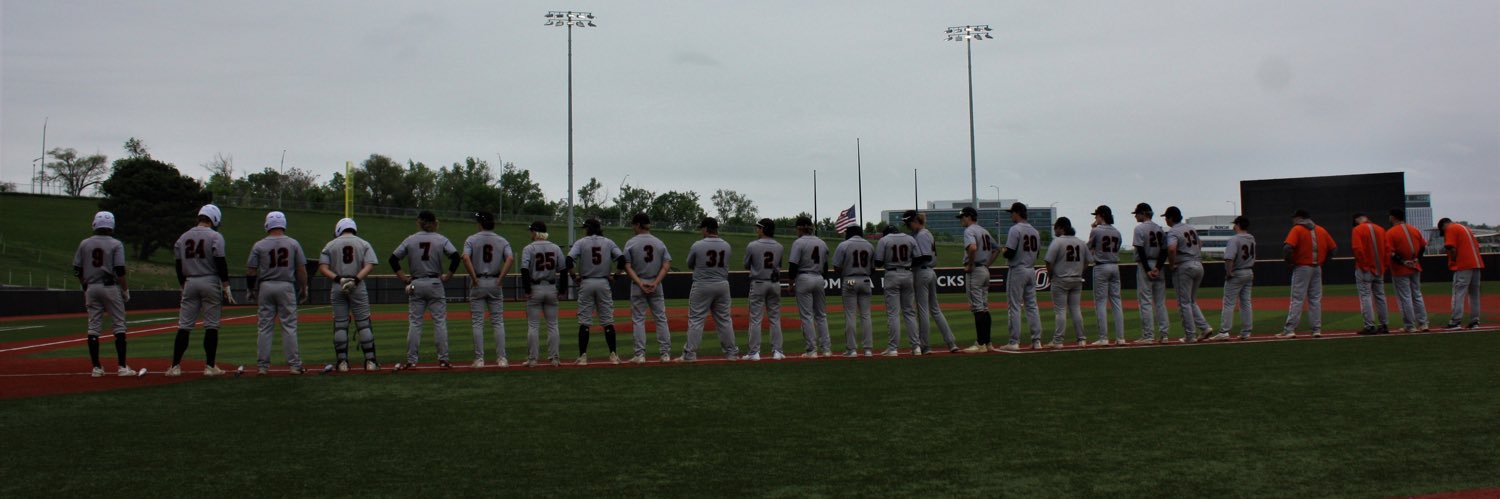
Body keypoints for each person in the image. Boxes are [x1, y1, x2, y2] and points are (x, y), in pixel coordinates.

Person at [167, 204, 233, 377]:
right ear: (214, 219)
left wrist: (183, 284)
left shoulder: (183, 237)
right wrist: (226, 284)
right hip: (210, 280)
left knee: (184, 326)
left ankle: (174, 366)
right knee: (211, 325)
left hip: (190, 281)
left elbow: (178, 264)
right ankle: (210, 366)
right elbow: (220, 262)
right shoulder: (215, 236)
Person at [390, 210, 461, 369]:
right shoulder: (441, 239)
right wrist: (448, 276)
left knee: (415, 323)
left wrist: (404, 278)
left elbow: (393, 259)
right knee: (439, 322)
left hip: (416, 283)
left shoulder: (410, 239)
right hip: (435, 282)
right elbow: (456, 257)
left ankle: (411, 360)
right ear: (433, 222)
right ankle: (443, 359)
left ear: (419, 223)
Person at [73, 211, 137, 377]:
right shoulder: (116, 244)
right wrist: (125, 290)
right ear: (111, 226)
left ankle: (96, 368)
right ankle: (122, 367)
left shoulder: (84, 243)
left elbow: (77, 269)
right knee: (119, 325)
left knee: (93, 327)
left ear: (95, 224)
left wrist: (85, 286)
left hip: (91, 287)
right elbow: (120, 270)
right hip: (110, 287)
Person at [246, 211, 308, 375]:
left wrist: (251, 289)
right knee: (289, 326)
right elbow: (301, 270)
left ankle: (262, 366)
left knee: (264, 327)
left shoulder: (259, 245)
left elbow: (251, 270)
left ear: (267, 224)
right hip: (286, 286)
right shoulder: (293, 243)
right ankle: (294, 365)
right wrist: (304, 288)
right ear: (283, 224)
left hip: (266, 286)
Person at [318, 217, 380, 371]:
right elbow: (370, 265)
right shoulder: (364, 243)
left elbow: (323, 268)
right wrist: (356, 280)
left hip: (338, 285)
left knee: (340, 324)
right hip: (357, 285)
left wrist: (339, 279)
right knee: (363, 323)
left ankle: (342, 363)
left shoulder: (330, 245)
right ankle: (370, 362)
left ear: (339, 229)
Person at [679, 217, 737, 362]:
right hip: (722, 284)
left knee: (696, 320)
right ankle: (731, 353)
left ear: (706, 228)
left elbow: (689, 264)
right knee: (724, 320)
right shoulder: (726, 245)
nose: (701, 231)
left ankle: (690, 354)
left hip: (702, 284)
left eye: (702, 228)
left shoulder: (698, 245)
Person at [567, 218, 624, 365]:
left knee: (585, 321)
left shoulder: (581, 242)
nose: (583, 230)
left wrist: (574, 277)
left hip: (586, 282)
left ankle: (583, 357)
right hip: (603, 282)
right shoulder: (608, 242)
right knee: (607, 320)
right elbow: (622, 259)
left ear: (588, 228)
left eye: (585, 228)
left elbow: (568, 260)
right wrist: (616, 276)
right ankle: (613, 355)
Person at [461, 211, 513, 368]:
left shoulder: (471, 239)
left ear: (480, 224)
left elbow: (465, 257)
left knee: (477, 322)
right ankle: (502, 358)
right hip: (495, 281)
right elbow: (510, 258)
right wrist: (501, 278)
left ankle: (479, 359)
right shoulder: (502, 240)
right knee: (498, 322)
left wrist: (474, 278)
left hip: (478, 281)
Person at [1277, 209, 1336, 338]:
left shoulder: (1297, 229)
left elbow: (1287, 248)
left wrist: (1290, 262)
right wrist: (1323, 262)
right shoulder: (1321, 230)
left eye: (1294, 218)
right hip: (1317, 268)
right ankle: (1316, 330)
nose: (1293, 220)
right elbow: (1333, 249)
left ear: (1299, 218)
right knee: (1315, 299)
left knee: (1297, 299)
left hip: (1302, 267)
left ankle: (1290, 330)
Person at [905, 211, 959, 353]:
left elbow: (924, 257)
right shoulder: (926, 233)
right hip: (929, 272)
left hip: (922, 272)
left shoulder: (921, 235)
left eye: (909, 223)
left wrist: (907, 263)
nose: (908, 226)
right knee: (935, 309)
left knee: (923, 310)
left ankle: (925, 345)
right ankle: (951, 342)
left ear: (916, 221)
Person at [622, 213, 672, 363]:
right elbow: (666, 265)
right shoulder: (659, 242)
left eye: (633, 225)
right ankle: (665, 354)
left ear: (638, 225)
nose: (633, 228)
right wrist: (656, 282)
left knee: (638, 320)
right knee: (661, 319)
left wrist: (639, 283)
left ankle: (640, 355)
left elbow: (627, 266)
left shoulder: (631, 243)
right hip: (656, 284)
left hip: (639, 284)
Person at [1164, 206, 1213, 342]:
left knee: (1184, 303)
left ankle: (1190, 335)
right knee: (1191, 301)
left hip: (1185, 266)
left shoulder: (1173, 231)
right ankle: (1204, 328)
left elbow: (1171, 249)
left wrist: (1172, 264)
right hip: (1198, 264)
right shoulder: (1190, 228)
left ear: (1171, 218)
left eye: (1166, 217)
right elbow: (1200, 243)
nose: (1166, 220)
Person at [520, 222, 564, 367]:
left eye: (531, 231)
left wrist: (527, 290)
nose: (530, 234)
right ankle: (555, 358)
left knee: (533, 325)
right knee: (553, 325)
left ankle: (533, 359)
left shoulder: (529, 248)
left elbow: (524, 270)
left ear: (535, 232)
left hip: (535, 288)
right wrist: (562, 290)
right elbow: (563, 269)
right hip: (551, 287)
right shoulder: (555, 247)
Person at [787, 216, 832, 358]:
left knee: (807, 316)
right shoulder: (822, 242)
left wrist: (791, 283)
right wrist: (821, 279)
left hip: (804, 277)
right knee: (821, 315)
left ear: (800, 228)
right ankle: (826, 350)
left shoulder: (798, 242)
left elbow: (793, 265)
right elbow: (826, 266)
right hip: (818, 277)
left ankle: (812, 350)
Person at [958, 207, 1001, 352]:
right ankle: (988, 343)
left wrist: (970, 264)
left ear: (969, 216)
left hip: (975, 270)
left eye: (962, 217)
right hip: (984, 270)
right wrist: (987, 265)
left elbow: (972, 248)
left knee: (977, 308)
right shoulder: (984, 231)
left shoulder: (969, 230)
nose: (961, 220)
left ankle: (980, 343)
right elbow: (997, 249)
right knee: (984, 307)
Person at [1044, 217, 1092, 347]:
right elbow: (1088, 260)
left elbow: (1048, 261)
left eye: (1056, 228)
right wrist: (1080, 271)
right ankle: (1081, 339)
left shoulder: (1057, 242)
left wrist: (1051, 275)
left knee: (1060, 311)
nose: (1055, 230)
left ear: (1062, 228)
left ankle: (1058, 341)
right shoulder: (1080, 242)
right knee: (1076, 309)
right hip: (1076, 279)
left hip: (1060, 279)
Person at [1001, 202, 1043, 351]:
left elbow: (1010, 252)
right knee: (1032, 306)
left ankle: (1014, 342)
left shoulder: (1015, 229)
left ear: (1017, 213)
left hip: (1018, 269)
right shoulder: (1035, 231)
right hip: (1031, 269)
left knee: (1014, 306)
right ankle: (1037, 341)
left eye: (1012, 213)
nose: (1011, 215)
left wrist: (1004, 251)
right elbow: (1037, 254)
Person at [875, 225, 921, 356]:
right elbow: (918, 259)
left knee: (893, 313)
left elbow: (878, 262)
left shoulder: (884, 240)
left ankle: (893, 348)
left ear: (886, 233)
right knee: (909, 312)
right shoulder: (910, 239)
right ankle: (916, 347)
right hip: (907, 273)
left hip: (892, 274)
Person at [743, 218, 785, 361]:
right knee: (775, 318)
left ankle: (754, 352)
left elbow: (746, 265)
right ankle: (778, 351)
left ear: (763, 229)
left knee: (755, 319)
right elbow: (779, 264)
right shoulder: (779, 246)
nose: (757, 230)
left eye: (759, 227)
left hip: (758, 282)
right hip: (774, 283)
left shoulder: (752, 245)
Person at [833, 225, 875, 357]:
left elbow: (836, 267)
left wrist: (846, 271)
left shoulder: (844, 245)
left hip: (850, 279)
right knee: (866, 315)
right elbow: (873, 268)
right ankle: (868, 349)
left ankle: (852, 350)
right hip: (865, 279)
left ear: (850, 233)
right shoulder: (869, 245)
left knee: (850, 315)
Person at [1131, 203, 1170, 344]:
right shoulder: (1159, 229)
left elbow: (1140, 250)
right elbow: (1164, 250)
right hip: (1159, 265)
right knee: (1160, 302)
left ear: (1143, 213)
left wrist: (1148, 269)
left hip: (1145, 264)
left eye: (1137, 213)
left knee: (1145, 302)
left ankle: (1148, 336)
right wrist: (1158, 268)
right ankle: (1164, 335)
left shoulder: (1139, 228)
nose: (1135, 216)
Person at [1087, 206, 1126, 346]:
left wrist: (1092, 228)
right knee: (1116, 302)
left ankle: (1103, 338)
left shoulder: (1096, 230)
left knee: (1101, 303)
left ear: (1101, 215)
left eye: (1096, 215)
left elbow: (1088, 247)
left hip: (1101, 266)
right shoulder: (1117, 232)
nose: (1095, 218)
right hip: (1115, 266)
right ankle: (1120, 338)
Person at [1385, 209, 1429, 332]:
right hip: (1415, 266)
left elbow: (1391, 253)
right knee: (1417, 295)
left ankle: (1410, 325)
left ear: (1393, 217)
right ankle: (1423, 323)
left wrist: (1403, 262)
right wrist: (1416, 259)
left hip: (1400, 268)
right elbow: (1423, 246)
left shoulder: (1391, 232)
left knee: (1405, 297)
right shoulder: (1414, 229)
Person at [1439, 217, 1484, 330]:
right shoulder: (1466, 228)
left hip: (1464, 264)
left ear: (1444, 225)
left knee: (1458, 293)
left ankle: (1455, 322)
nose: (1444, 233)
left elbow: (1451, 248)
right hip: (1477, 263)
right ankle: (1475, 322)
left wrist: (1453, 260)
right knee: (1474, 294)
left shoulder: (1450, 228)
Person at [1351, 213, 1390, 335]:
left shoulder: (1357, 229)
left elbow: (1357, 249)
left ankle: (1369, 326)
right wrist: (1384, 266)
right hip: (1379, 269)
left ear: (1357, 220)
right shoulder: (1380, 229)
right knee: (1380, 296)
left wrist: (1364, 266)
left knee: (1365, 296)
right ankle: (1384, 325)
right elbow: (1388, 250)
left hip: (1365, 270)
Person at [1219, 216, 1256, 340]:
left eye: (1235, 224)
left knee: (1229, 303)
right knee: (1246, 303)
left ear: (1238, 225)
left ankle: (1224, 332)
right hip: (1249, 271)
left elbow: (1229, 258)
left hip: (1237, 272)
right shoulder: (1251, 238)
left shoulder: (1234, 239)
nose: (1233, 226)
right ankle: (1246, 332)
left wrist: (1228, 272)